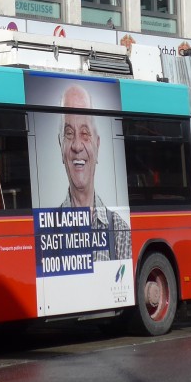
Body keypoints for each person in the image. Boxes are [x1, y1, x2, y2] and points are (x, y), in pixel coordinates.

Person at [57, 84, 131, 261]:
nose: (76, 146)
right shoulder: (47, 230)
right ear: (61, 146)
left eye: (85, 134)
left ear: (97, 145)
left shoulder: (121, 232)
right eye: (69, 134)